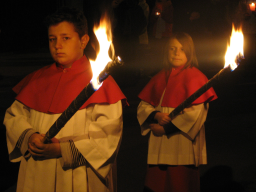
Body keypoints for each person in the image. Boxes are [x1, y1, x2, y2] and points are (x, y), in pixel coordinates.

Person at [4, 7, 127, 192]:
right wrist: (29, 136)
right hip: (38, 172)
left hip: (77, 173)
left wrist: (61, 150)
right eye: (52, 39)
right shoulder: (37, 79)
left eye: (65, 38)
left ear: (83, 40)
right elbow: (13, 117)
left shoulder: (102, 84)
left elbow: (107, 137)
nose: (57, 45)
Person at [137, 32, 217, 192]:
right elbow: (143, 106)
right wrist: (156, 115)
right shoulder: (160, 77)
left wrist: (165, 129)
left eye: (181, 49)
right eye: (172, 48)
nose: (176, 53)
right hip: (159, 147)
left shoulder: (197, 78)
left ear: (190, 52)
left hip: (181, 144)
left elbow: (195, 115)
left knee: (179, 184)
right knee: (157, 184)